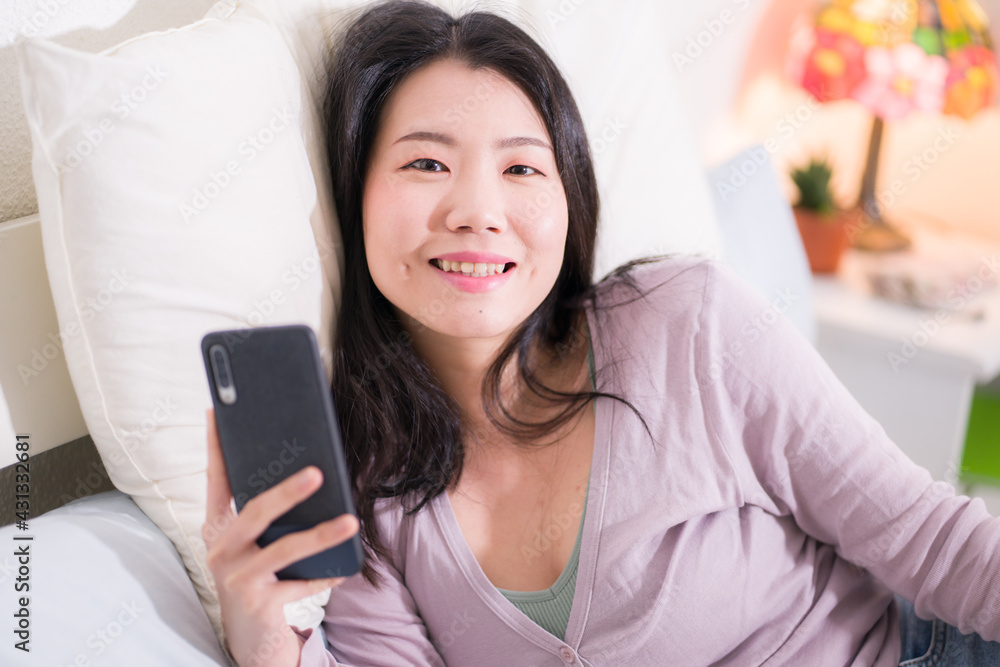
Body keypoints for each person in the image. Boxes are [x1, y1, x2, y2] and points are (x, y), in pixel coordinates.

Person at [202, 2, 1000, 665]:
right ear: (356, 199)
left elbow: (935, 543)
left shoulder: (692, 321)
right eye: (426, 165)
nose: (478, 211)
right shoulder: (360, 483)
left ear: (569, 201)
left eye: (521, 168)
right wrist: (266, 638)